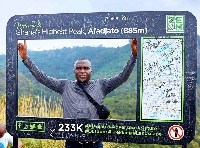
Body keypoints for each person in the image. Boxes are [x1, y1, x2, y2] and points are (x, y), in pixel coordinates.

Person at [18, 39, 138, 148]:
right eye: (78, 68)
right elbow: (42, 78)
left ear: (91, 70)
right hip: (72, 144)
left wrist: (133, 56)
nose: (82, 71)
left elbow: (122, 77)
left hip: (94, 144)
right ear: (74, 71)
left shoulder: (101, 85)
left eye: (86, 68)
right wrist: (26, 59)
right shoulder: (65, 86)